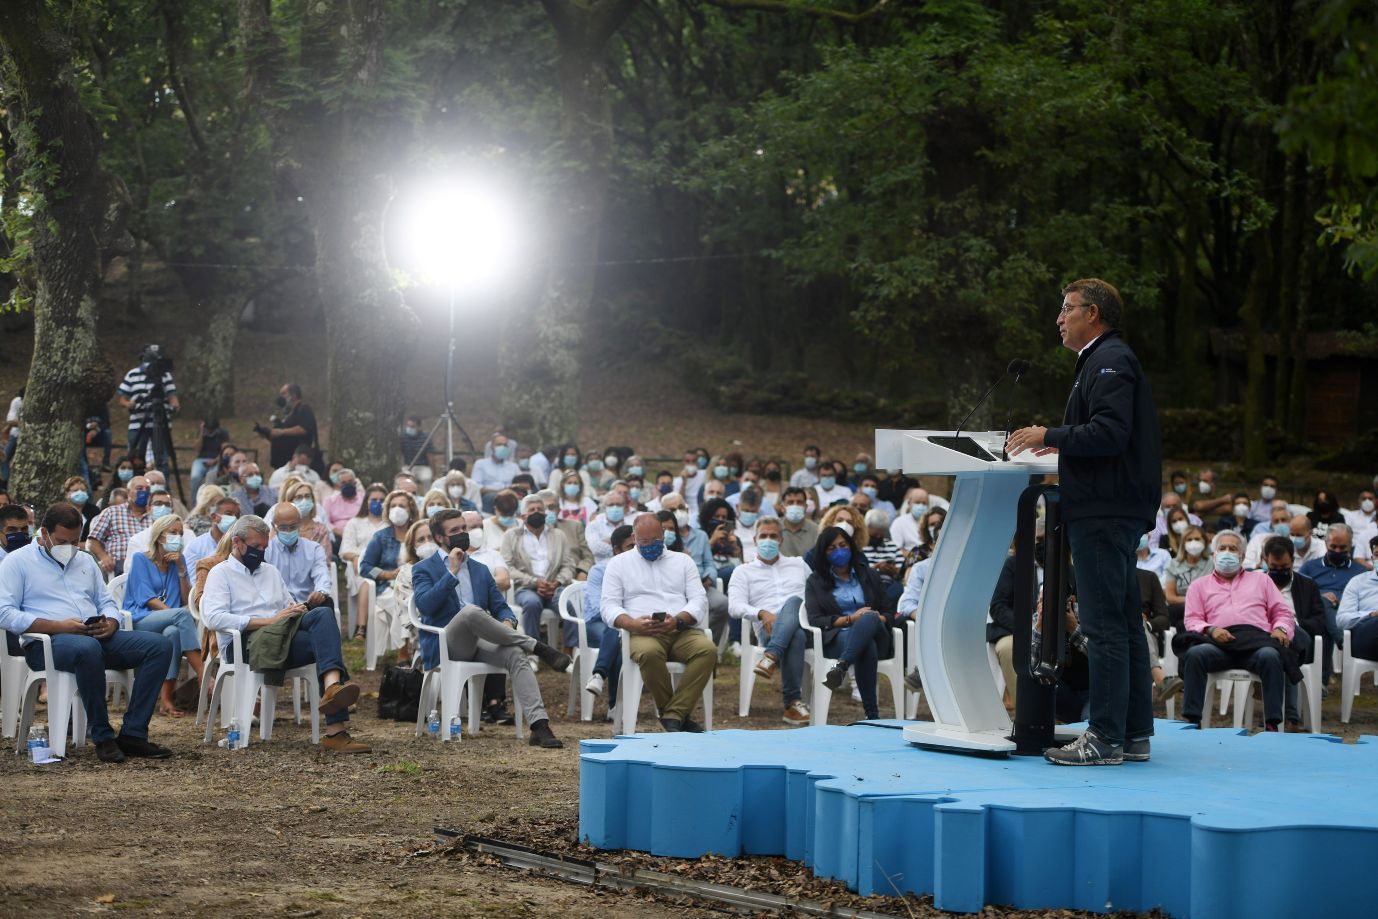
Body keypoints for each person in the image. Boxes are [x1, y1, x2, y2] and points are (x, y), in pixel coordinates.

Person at [1007, 278, 1161, 766]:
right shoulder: (1104, 358)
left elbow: (1111, 433)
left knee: (1104, 625)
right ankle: (1133, 733)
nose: (1059, 317)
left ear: (1092, 314)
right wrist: (1064, 443)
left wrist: (1049, 432)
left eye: (1067, 308)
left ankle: (1105, 738)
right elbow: (1103, 433)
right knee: (1124, 624)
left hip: (1104, 509)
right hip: (1112, 504)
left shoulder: (1109, 360)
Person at [0, 503, 173, 762]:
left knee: (160, 646)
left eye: (74, 541)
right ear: (44, 533)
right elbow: (5, 614)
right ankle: (102, 736)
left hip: (93, 635)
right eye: (62, 541)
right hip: (47, 644)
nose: (68, 547)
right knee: (86, 649)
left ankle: (134, 734)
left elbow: (106, 602)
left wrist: (111, 622)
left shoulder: (84, 560)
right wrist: (58, 625)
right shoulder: (18, 561)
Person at [201, 515, 369, 752]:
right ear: (237, 542)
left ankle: (333, 690)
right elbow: (214, 618)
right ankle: (336, 729)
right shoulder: (221, 573)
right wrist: (266, 621)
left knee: (322, 613)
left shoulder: (270, 571)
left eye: (265, 547)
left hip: (281, 635)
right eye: (256, 547)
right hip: (246, 644)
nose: (261, 552)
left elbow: (286, 605)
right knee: (325, 645)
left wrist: (294, 609)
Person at [412, 509, 568, 747]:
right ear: (439, 538)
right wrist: (451, 572)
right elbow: (425, 605)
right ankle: (538, 647)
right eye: (455, 531)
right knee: (471, 611)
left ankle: (539, 726)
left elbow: (501, 607)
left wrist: (507, 623)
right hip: (446, 643)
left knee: (515, 654)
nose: (463, 534)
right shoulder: (424, 569)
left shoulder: (480, 569)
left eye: (464, 528)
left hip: (479, 642)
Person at [601, 514, 716, 732]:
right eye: (645, 542)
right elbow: (608, 607)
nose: (651, 546)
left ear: (664, 536)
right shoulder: (618, 564)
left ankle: (673, 715)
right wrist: (633, 624)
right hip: (642, 631)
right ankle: (675, 716)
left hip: (680, 629)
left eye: (656, 540)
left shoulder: (682, 561)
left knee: (707, 650)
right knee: (649, 653)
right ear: (634, 538)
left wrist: (679, 620)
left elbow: (699, 600)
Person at [1178, 531, 1294, 731]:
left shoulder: (1262, 581)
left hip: (1255, 644)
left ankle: (1273, 723)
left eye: (1233, 548)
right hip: (1218, 645)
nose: (1227, 553)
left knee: (1271, 655)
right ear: (1214, 555)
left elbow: (1282, 612)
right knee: (1195, 654)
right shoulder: (1198, 586)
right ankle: (1192, 720)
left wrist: (1281, 629)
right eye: (1222, 548)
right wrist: (1211, 630)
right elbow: (1192, 620)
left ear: (1242, 556)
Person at [805, 525, 898, 720]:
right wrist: (850, 619)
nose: (839, 550)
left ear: (851, 546)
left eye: (843, 545)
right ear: (824, 553)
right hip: (840, 637)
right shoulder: (816, 581)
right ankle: (872, 715)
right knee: (866, 645)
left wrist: (871, 618)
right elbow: (815, 618)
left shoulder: (869, 574)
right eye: (832, 548)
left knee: (868, 619)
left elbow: (889, 611)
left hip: (879, 634)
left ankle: (842, 666)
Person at [729, 516, 812, 724]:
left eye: (773, 536)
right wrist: (761, 613)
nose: (768, 540)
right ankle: (792, 703)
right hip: (769, 632)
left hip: (807, 627)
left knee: (794, 602)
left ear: (781, 539)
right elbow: (734, 606)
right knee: (796, 635)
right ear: (755, 540)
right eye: (763, 536)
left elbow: (815, 595)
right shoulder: (743, 571)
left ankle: (771, 657)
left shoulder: (799, 564)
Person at [125, 513, 204, 717]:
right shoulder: (141, 558)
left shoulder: (179, 561)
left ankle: (166, 700)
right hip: (141, 618)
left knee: (172, 633)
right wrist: (175, 613)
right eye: (172, 532)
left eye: (180, 533)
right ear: (160, 536)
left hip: (168, 620)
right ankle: (203, 673)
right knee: (180, 617)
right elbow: (147, 598)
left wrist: (180, 569)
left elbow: (186, 600)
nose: (177, 537)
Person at [1261, 536, 1324, 730]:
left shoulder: (1307, 585)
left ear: (1293, 562)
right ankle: (1290, 718)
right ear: (1265, 561)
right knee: (1283, 650)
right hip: (1264, 635)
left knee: (1287, 642)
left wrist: (1290, 624)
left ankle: (1280, 718)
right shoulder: (1255, 582)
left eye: (1284, 567)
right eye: (1274, 567)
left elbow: (1319, 621)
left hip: (1300, 636)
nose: (1279, 572)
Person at [503, 494, 577, 645]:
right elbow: (507, 567)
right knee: (532, 604)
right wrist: (534, 582)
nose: (536, 512)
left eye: (540, 509)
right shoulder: (511, 536)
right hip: (526, 587)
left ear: (545, 513)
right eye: (532, 509)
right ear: (523, 516)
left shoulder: (558, 535)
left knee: (569, 604)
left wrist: (557, 582)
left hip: (554, 587)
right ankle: (534, 651)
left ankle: (569, 652)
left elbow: (568, 565)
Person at [1300, 522, 1366, 682]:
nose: (1337, 551)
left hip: (1348, 614)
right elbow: (1300, 593)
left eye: (1343, 547)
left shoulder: (1360, 571)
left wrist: (1345, 599)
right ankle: (1341, 640)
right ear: (1325, 543)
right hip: (1315, 614)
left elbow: (1365, 598)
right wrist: (1320, 595)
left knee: (1323, 624)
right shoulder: (1310, 567)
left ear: (1351, 545)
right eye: (1333, 546)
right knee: (1323, 604)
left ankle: (1320, 682)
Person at [582, 524, 636, 709]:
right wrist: (622, 616)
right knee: (616, 628)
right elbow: (600, 608)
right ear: (616, 550)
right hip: (597, 623)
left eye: (637, 546)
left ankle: (599, 677)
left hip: (628, 625)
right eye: (630, 547)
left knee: (620, 640)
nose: (635, 551)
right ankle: (615, 705)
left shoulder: (641, 569)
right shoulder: (599, 571)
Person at [359, 490, 417, 642]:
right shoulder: (381, 536)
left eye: (402, 506)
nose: (397, 509)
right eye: (393, 506)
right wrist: (388, 574)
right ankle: (404, 649)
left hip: (417, 583)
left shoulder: (419, 533)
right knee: (398, 602)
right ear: (388, 510)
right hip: (388, 586)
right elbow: (364, 567)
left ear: (410, 510)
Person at [117, 345, 180, 469]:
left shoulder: (165, 375)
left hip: (161, 423)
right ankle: (137, 484)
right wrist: (128, 404)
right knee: (136, 459)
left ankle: (162, 485)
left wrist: (175, 405)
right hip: (138, 423)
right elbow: (122, 399)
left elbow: (172, 396)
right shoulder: (132, 374)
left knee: (161, 459)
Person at [340, 483, 388, 641]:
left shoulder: (391, 524)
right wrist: (354, 558)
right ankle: (361, 629)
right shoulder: (355, 523)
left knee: (371, 580)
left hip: (386, 567)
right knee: (367, 581)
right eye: (374, 499)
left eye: (382, 500)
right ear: (366, 501)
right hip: (361, 566)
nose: (378, 503)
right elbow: (345, 550)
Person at [265, 502, 334, 609]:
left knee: (327, 602)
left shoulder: (314, 549)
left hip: (308, 604)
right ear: (274, 526)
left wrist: (321, 592)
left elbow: (322, 574)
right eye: (283, 527)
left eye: (293, 526)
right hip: (278, 609)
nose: (288, 531)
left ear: (300, 524)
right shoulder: (266, 550)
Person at [87, 474, 154, 576]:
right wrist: (104, 557)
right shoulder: (112, 512)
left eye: (147, 489)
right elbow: (93, 540)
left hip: (149, 567)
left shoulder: (154, 517)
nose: (144, 492)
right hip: (118, 567)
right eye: (139, 488)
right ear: (128, 492)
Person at [256, 382, 317, 471]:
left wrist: (281, 431)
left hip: (295, 461)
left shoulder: (304, 409)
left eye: (284, 393)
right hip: (281, 462)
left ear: (294, 395)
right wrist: (268, 434)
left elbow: (304, 428)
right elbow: (284, 435)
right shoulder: (288, 414)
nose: (281, 397)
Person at [1338, 533, 1378, 660]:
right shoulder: (1358, 582)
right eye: (1377, 555)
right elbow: (1342, 620)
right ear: (1372, 558)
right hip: (1366, 636)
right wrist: (1370, 615)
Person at [1163, 526, 1211, 626]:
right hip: (1182, 609)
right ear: (1183, 544)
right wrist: (1192, 600)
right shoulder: (1173, 564)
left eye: (1197, 539)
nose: (1193, 542)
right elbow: (1170, 597)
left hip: (1208, 608)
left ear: (1205, 541)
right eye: (1189, 540)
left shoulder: (1213, 563)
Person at [183, 496, 239, 577]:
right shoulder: (195, 546)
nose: (234, 518)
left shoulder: (239, 545)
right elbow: (193, 581)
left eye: (237, 516)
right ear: (214, 517)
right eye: (229, 514)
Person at [279, 477, 333, 560]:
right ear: (290, 502)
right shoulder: (281, 529)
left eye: (307, 496)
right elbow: (275, 556)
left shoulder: (321, 530)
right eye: (299, 497)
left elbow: (324, 559)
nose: (304, 500)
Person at [862, 509, 905, 604]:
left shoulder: (892, 546)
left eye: (880, 535)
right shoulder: (859, 547)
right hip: (868, 585)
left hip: (890, 585)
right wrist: (875, 569)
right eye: (874, 535)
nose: (877, 537)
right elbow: (856, 574)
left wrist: (894, 571)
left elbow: (903, 574)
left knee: (900, 588)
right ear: (866, 528)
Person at [472, 432, 521, 512]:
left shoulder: (513, 466)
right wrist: (499, 491)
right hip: (490, 497)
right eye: (498, 445)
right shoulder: (480, 464)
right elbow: (477, 486)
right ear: (492, 447)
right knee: (494, 497)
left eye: (505, 445)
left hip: (511, 496)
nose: (502, 447)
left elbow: (520, 484)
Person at [586, 491, 632, 564]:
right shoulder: (593, 525)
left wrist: (609, 541)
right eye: (611, 505)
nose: (615, 507)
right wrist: (622, 546)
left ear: (625, 507)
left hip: (627, 565)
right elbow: (595, 549)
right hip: (602, 567)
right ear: (605, 507)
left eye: (618, 504)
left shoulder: (631, 525)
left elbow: (634, 549)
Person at [189, 416, 231, 496]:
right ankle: (195, 503)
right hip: (201, 460)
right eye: (208, 430)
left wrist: (215, 461)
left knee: (211, 478)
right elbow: (197, 449)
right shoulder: (201, 433)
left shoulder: (223, 434)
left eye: (212, 430)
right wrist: (201, 433)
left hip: (217, 460)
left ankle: (210, 499)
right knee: (195, 477)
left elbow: (225, 451)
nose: (210, 432)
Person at [323, 468, 362, 549]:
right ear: (338, 485)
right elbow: (325, 522)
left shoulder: (363, 498)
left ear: (355, 482)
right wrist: (340, 532)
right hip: (338, 536)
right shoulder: (329, 500)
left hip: (361, 533)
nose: (347, 484)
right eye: (343, 482)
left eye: (350, 481)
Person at [779, 487, 819, 557]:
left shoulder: (816, 530)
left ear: (806, 507)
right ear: (782, 508)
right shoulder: (774, 528)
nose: (795, 506)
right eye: (790, 502)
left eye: (799, 502)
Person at [400, 414, 437, 487]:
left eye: (413, 427)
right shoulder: (403, 437)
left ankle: (428, 497)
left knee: (427, 479)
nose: (409, 428)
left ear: (419, 427)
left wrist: (434, 474)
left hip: (423, 466)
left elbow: (430, 456)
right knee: (404, 480)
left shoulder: (425, 437)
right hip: (408, 466)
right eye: (408, 426)